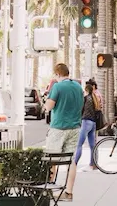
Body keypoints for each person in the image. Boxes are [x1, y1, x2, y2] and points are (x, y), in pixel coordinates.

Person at [43, 63, 84, 202]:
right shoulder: (78, 87)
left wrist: (46, 101)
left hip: (58, 127)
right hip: (75, 128)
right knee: (72, 160)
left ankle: (49, 188)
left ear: (58, 74)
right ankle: (68, 192)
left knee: (51, 158)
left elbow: (49, 107)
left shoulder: (58, 86)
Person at [74, 81, 101, 172]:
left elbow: (80, 110)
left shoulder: (85, 98)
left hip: (85, 122)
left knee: (79, 144)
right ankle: (93, 164)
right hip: (93, 123)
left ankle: (74, 164)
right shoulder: (95, 98)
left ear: (86, 90)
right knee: (92, 145)